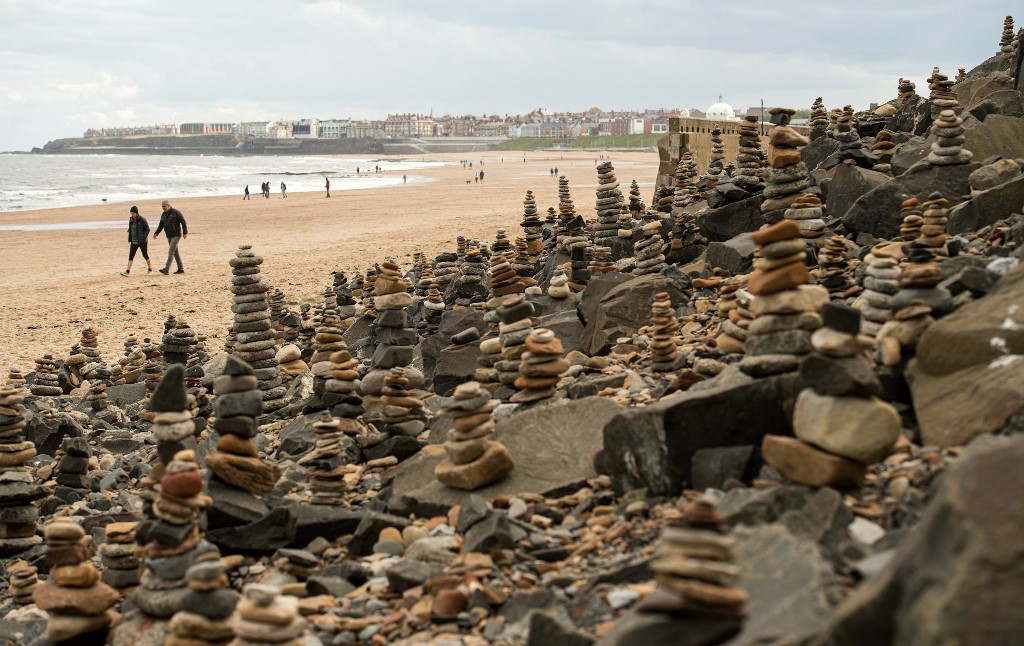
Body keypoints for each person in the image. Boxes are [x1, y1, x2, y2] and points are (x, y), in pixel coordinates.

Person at [153, 200, 188, 275]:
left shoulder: (176, 212)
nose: (163, 208)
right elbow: (161, 225)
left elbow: (183, 221)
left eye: (164, 206)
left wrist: (185, 232)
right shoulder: (163, 214)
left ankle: (166, 269)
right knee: (175, 253)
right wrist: (156, 233)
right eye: (162, 207)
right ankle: (180, 269)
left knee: (171, 251)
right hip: (169, 236)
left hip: (176, 235)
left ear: (168, 205)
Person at [120, 205, 152, 276]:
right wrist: (129, 239)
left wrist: (143, 237)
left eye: (133, 213)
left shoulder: (142, 219)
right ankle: (127, 271)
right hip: (134, 242)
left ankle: (150, 269)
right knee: (131, 256)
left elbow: (147, 229)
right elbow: (130, 230)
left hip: (142, 242)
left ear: (137, 213)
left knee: (145, 255)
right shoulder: (131, 220)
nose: (132, 214)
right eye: (131, 213)